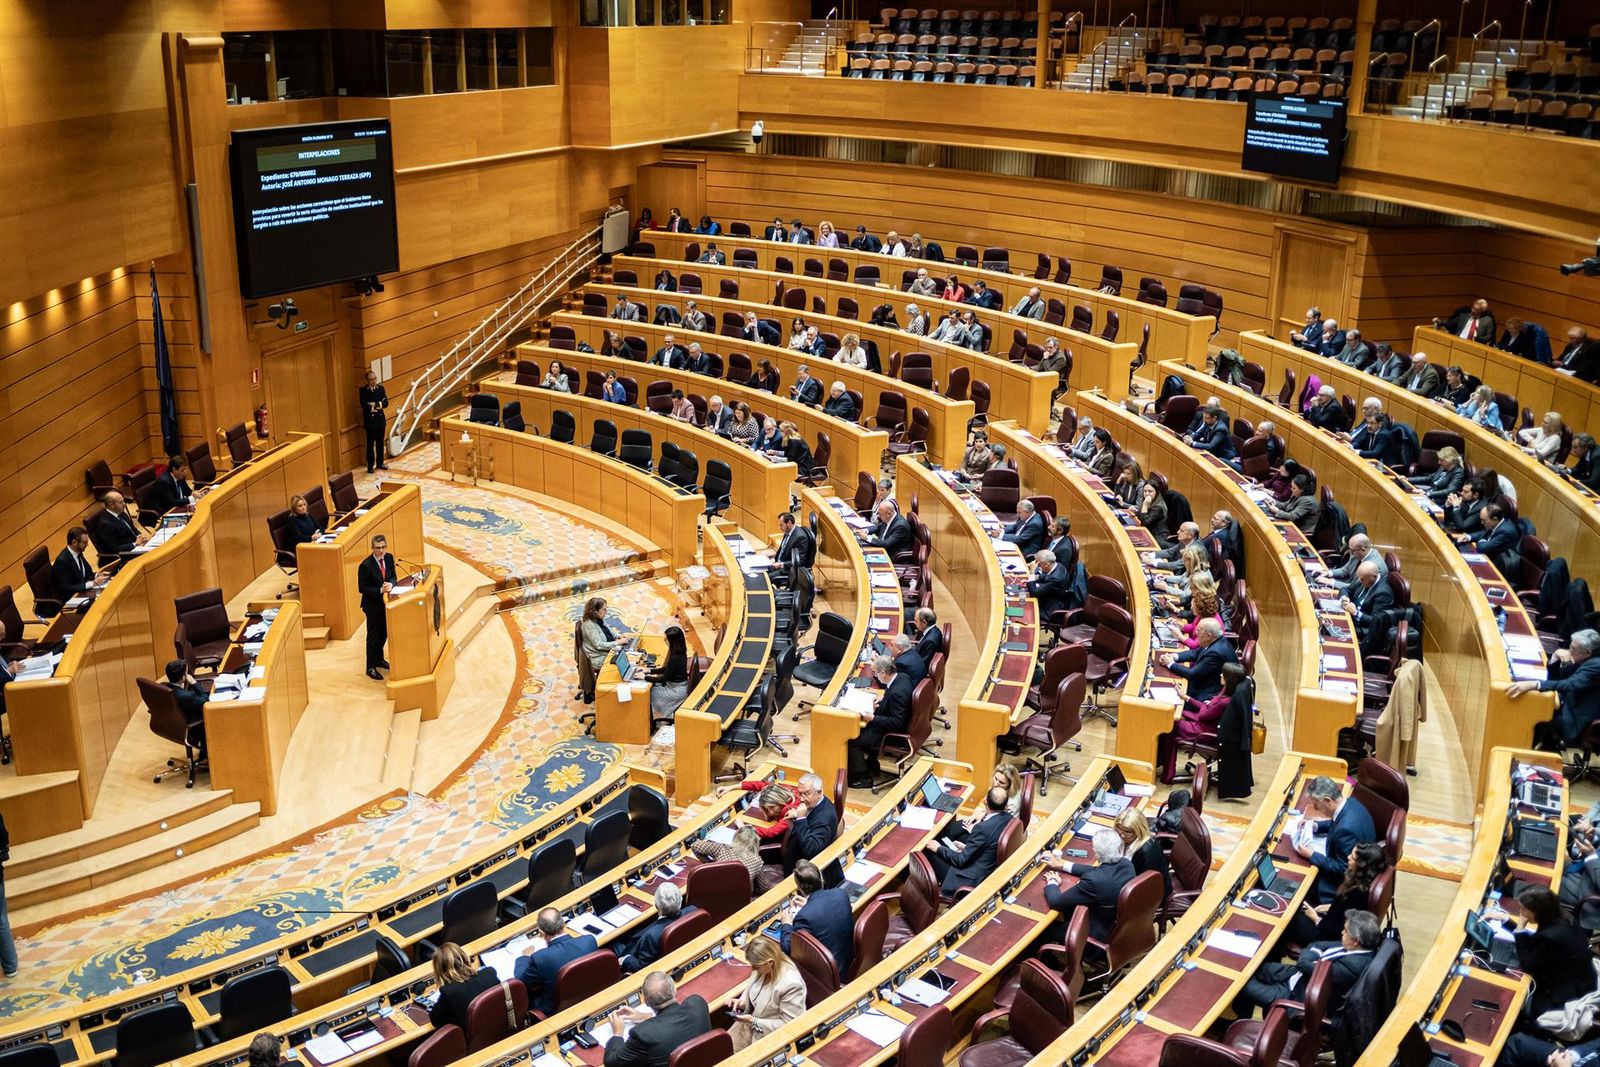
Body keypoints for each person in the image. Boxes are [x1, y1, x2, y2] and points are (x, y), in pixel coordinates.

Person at [1235, 911, 1380, 1018]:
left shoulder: (1352, 967)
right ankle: (1238, 1014)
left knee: (1239, 982)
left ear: (1356, 940)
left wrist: (1308, 959)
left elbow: (1304, 965)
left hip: (1292, 996)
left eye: (1346, 931)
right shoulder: (1353, 945)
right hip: (1291, 974)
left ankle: (1232, 1024)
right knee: (1247, 964)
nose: (1342, 932)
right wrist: (1310, 958)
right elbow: (1316, 944)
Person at [1494, 886, 1596, 1019]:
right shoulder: (1563, 917)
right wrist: (1505, 920)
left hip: (1562, 995)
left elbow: (1528, 965)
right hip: (1582, 978)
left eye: (1524, 910)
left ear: (1539, 912)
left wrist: (1519, 928)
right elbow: (1538, 944)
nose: (1521, 913)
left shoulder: (1551, 936)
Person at [1284, 842, 1388, 948]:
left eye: (1352, 857)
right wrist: (1331, 907)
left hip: (1328, 938)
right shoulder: (1363, 883)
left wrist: (1316, 919)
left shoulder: (1358, 895)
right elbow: (1344, 909)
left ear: (1361, 866)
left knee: (1289, 916)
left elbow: (1338, 930)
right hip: (1330, 921)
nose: (1348, 857)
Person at [1509, 630, 1600, 748]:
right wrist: (1555, 657)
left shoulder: (1596, 666)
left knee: (1535, 717)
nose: (1569, 651)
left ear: (1587, 652)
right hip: (1568, 705)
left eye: (1573, 649)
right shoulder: (1585, 659)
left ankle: (1523, 753)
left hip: (1577, 721)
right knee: (1537, 706)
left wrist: (1535, 684)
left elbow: (1568, 684)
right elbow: (1558, 680)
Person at [600, 970, 712, 1067]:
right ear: (674, 990)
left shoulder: (643, 1034)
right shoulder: (698, 1004)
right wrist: (647, 1018)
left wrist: (617, 1034)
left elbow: (611, 1063)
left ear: (646, 1002)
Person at [1294, 776, 1378, 904]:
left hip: (1340, 886)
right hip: (1368, 866)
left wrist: (1312, 855)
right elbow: (1337, 822)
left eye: (1316, 805)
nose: (1315, 809)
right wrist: (1315, 826)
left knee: (1298, 881)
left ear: (1328, 801)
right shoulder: (1352, 803)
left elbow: (1343, 868)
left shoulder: (1345, 831)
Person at [1043, 828, 1135, 941]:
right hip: (1115, 927)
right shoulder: (1126, 865)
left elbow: (1056, 902)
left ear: (1096, 853)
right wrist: (1062, 864)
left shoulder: (1093, 881)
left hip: (1092, 935)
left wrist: (1052, 882)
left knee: (1043, 930)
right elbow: (1097, 870)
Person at [922, 786, 1010, 894]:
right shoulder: (1009, 818)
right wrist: (966, 848)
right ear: (1006, 806)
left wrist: (938, 848)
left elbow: (960, 860)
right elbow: (989, 845)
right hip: (985, 864)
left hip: (967, 878)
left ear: (985, 801)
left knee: (926, 851)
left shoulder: (982, 828)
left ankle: (927, 893)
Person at [516, 908, 600, 1017]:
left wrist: (524, 958)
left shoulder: (540, 958)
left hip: (555, 1011)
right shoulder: (589, 940)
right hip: (588, 997)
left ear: (541, 933)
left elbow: (519, 984)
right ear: (563, 923)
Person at [725, 939, 806, 1051]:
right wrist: (743, 1001)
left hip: (770, 1036)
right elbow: (753, 984)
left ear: (770, 962)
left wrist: (753, 1021)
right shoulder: (763, 965)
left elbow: (790, 1025)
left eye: (756, 967)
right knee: (720, 1052)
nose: (753, 969)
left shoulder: (791, 984)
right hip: (748, 1023)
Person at [779, 860, 854, 974]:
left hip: (831, 974)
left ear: (799, 888)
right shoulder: (840, 894)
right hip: (851, 959)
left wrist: (786, 923)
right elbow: (828, 914)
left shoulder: (804, 916)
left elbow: (789, 949)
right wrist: (809, 905)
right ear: (822, 880)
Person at [848, 656, 913, 785]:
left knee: (852, 739)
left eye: (876, 673)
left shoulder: (897, 693)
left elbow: (897, 722)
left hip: (890, 734)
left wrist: (872, 718)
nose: (875, 676)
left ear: (883, 672)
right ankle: (872, 765)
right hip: (889, 721)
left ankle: (863, 778)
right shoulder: (902, 677)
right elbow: (892, 696)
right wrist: (883, 699)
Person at [616, 883, 700, 974]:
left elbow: (643, 967)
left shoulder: (651, 936)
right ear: (681, 900)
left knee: (614, 943)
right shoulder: (693, 911)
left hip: (633, 959)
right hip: (680, 955)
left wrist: (625, 960)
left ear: (657, 906)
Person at [777, 773, 838, 885]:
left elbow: (811, 849)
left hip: (801, 876)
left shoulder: (825, 819)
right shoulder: (818, 803)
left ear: (819, 793)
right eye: (800, 793)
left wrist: (800, 819)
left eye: (806, 794)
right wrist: (796, 814)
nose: (801, 799)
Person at [1161, 618, 1237, 703]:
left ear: (1208, 635)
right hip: (1203, 682)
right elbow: (1195, 653)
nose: (1196, 633)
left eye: (1198, 631)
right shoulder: (1216, 640)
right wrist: (1174, 656)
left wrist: (1170, 663)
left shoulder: (1215, 653)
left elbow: (1192, 674)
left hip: (1205, 693)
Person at [428, 942, 499, 1031]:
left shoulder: (449, 992)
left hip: (476, 1040)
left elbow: (435, 1021)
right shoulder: (490, 973)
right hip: (499, 1028)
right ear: (465, 958)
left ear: (440, 971)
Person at [357, 534, 396, 680]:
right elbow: (362, 588)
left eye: (383, 547)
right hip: (372, 606)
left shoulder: (389, 558)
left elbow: (392, 576)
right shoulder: (366, 565)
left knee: (384, 633)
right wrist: (380, 590)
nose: (381, 550)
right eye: (378, 548)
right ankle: (370, 666)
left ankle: (379, 659)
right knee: (373, 637)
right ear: (372, 548)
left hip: (387, 604)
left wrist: (391, 584)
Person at [1215, 667, 1256, 801]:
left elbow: (1203, 716)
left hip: (1222, 737)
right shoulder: (1243, 687)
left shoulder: (1234, 698)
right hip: (1234, 736)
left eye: (1224, 674)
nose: (1220, 675)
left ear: (1230, 679)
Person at [1115, 807, 1169, 897]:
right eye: (1119, 830)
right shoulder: (1123, 839)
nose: (1122, 835)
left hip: (1149, 894)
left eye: (1128, 832)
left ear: (1139, 830)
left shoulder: (1147, 851)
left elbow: (1141, 885)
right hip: (1125, 881)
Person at [692, 824, 765, 889]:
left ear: (735, 837)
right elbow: (762, 887)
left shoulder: (721, 849)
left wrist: (710, 864)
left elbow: (695, 845)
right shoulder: (757, 861)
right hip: (742, 900)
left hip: (715, 892)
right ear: (755, 842)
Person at [580, 596, 620, 703]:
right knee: (618, 663)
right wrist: (617, 643)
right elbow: (598, 645)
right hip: (596, 656)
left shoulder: (598, 619)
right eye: (604, 609)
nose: (606, 612)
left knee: (622, 655)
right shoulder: (589, 625)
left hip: (604, 650)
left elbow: (608, 630)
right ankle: (609, 692)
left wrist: (618, 636)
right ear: (595, 611)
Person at [645, 626, 689, 720]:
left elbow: (663, 678)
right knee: (652, 685)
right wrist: (649, 671)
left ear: (672, 641)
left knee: (646, 693)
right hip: (678, 687)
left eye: (666, 639)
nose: (664, 640)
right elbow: (668, 669)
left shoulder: (675, 657)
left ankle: (650, 721)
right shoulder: (680, 651)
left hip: (675, 691)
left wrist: (644, 677)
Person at [52, 526, 102, 602]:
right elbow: (66, 588)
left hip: (82, 593)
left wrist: (97, 575)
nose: (87, 545)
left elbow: (86, 573)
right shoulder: (62, 561)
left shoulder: (78, 553)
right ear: (74, 542)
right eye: (85, 543)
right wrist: (92, 583)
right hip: (71, 598)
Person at [1026, 549, 1072, 620]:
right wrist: (1035, 578)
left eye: (1039, 563)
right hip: (1049, 598)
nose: (1037, 565)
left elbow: (1034, 593)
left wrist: (1032, 573)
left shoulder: (1056, 579)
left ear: (1046, 565)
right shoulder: (1057, 566)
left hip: (1050, 609)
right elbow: (1047, 576)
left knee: (1026, 610)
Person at [359, 369, 390, 473]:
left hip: (380, 421)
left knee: (380, 443)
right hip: (370, 422)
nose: (373, 381)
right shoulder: (363, 390)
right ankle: (370, 465)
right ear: (367, 380)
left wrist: (374, 405)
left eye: (375, 378)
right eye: (371, 379)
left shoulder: (381, 389)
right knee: (370, 445)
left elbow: (385, 403)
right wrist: (377, 405)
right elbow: (364, 405)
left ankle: (380, 462)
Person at [163, 658, 208, 723]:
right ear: (184, 677)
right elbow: (205, 701)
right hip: (194, 724)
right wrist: (194, 682)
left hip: (172, 722)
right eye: (187, 673)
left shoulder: (163, 686)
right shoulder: (187, 696)